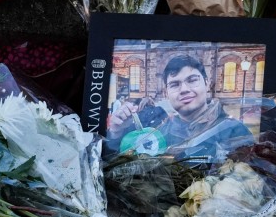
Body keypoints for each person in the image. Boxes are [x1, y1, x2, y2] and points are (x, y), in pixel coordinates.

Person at [107, 54, 252, 159]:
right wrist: (115, 132)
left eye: (192, 80)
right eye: (175, 84)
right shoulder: (159, 133)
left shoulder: (233, 130)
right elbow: (119, 165)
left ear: (207, 83)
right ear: (166, 92)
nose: (184, 89)